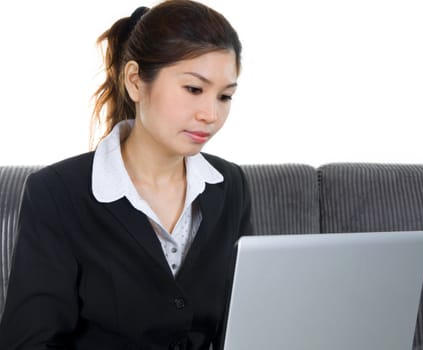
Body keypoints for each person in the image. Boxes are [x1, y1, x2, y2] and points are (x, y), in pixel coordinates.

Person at [0, 1, 252, 349]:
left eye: (225, 96)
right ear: (135, 81)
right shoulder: (57, 193)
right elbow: (28, 343)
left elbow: (244, 323)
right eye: (194, 89)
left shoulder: (231, 185)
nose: (211, 114)